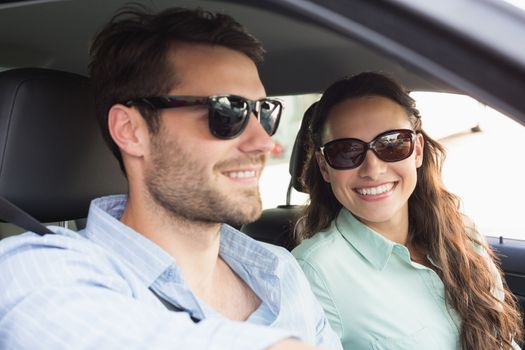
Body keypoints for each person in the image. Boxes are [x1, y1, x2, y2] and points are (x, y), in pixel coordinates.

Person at [0, 6, 342, 350]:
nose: (264, 141)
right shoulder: (36, 268)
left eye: (263, 112)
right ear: (131, 130)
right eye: (228, 111)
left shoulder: (281, 270)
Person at [292, 72, 523, 350]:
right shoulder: (313, 273)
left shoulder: (462, 231)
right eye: (346, 151)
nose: (373, 169)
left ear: (417, 151)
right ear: (324, 166)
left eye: (392, 144)